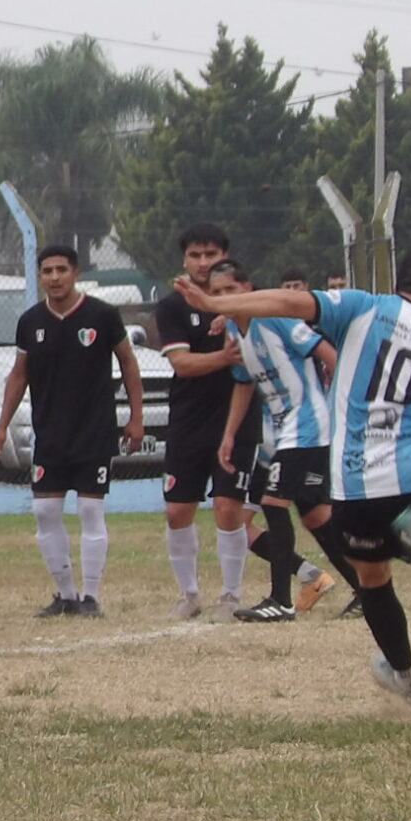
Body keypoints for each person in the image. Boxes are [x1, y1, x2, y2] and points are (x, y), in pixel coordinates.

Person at [181, 248, 411, 702]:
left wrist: (215, 303)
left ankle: (404, 677)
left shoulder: (363, 306)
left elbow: (289, 302)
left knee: (372, 576)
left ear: (397, 286)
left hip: (355, 485)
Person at [0, 244, 145, 617]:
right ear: (40, 276)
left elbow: (128, 362)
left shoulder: (102, 315)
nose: (54, 277)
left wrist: (136, 417)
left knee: (90, 510)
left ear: (76, 273)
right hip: (50, 433)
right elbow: (19, 374)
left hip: (94, 431)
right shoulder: (30, 322)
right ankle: (66, 596)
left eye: (61, 270)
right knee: (45, 512)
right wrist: (1, 426)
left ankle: (90, 597)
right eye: (47, 271)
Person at [213, 259, 359, 621]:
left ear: (248, 289)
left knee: (273, 504)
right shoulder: (233, 330)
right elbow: (244, 384)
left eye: (230, 289)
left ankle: (280, 600)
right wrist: (229, 434)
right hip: (283, 432)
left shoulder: (276, 318)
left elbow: (330, 355)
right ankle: (367, 589)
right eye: (216, 293)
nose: (224, 297)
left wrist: (347, 405)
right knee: (316, 516)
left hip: (308, 426)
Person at [155, 224, 257, 617]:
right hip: (188, 420)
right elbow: (182, 363)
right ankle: (190, 595)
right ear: (184, 260)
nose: (202, 262)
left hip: (237, 419)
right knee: (177, 511)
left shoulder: (245, 302)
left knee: (228, 509)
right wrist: (224, 358)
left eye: (210, 254)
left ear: (225, 257)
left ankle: (231, 596)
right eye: (195, 255)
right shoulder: (172, 307)